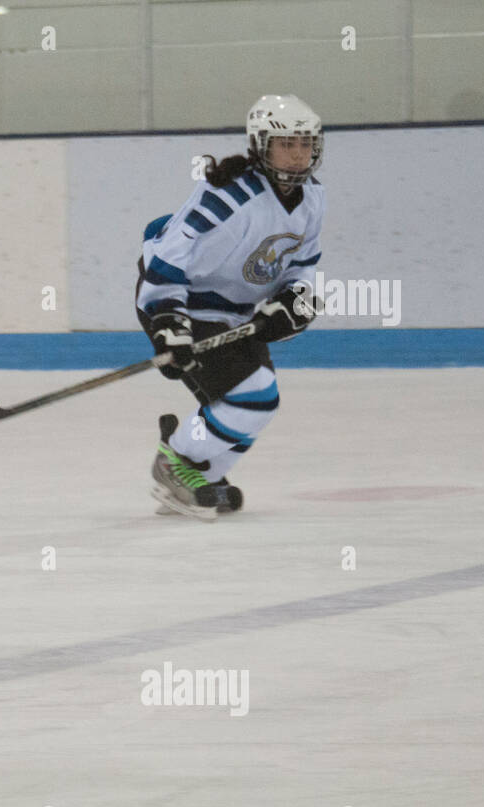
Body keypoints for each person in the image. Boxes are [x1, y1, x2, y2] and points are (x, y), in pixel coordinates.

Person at [136, 94, 324, 521]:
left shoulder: (313, 199)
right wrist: (169, 322)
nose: (298, 155)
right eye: (287, 144)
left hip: (236, 314)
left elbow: (304, 266)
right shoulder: (228, 197)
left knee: (262, 401)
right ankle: (175, 460)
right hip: (181, 303)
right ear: (261, 146)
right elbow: (167, 256)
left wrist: (294, 301)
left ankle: (204, 470)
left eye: (305, 144)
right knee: (251, 395)